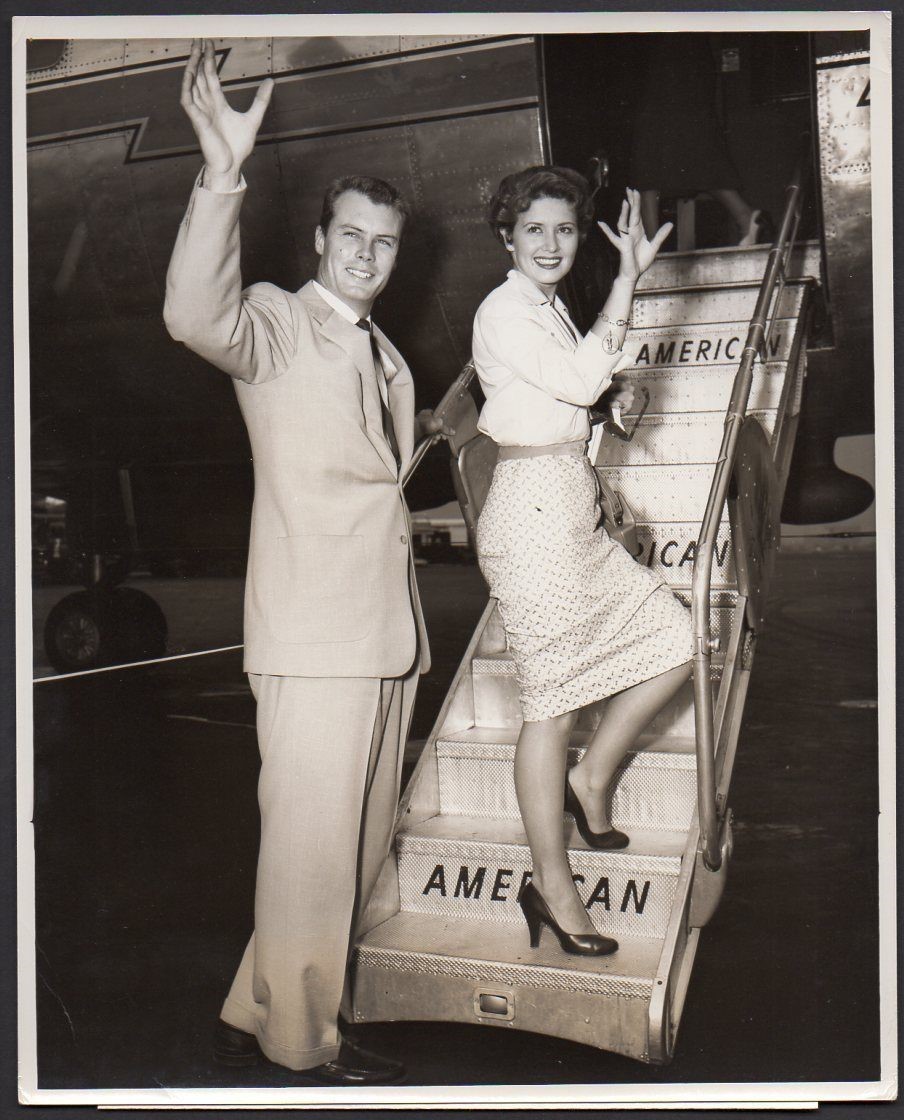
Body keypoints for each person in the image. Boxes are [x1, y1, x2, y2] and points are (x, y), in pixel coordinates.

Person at [163, 40, 443, 1085]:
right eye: (352, 237)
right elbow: (195, 316)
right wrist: (222, 174)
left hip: (381, 633)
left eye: (386, 243)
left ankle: (261, 1002)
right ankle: (301, 1044)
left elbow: (375, 484)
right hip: (316, 634)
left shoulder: (385, 354)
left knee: (353, 848)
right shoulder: (280, 322)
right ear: (320, 239)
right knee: (312, 852)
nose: (367, 255)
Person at [472, 167, 693, 956]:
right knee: (551, 706)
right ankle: (552, 889)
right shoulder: (503, 309)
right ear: (508, 236)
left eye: (565, 229)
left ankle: (590, 780)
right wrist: (628, 284)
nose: (551, 243)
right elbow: (572, 380)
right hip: (530, 522)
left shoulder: (549, 308)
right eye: (534, 228)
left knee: (673, 642)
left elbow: (564, 404)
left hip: (567, 499)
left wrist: (598, 465)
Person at [629, 33, 770, 247]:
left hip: (670, 58)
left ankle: (650, 244)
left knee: (651, 149)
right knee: (672, 148)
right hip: (680, 57)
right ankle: (744, 216)